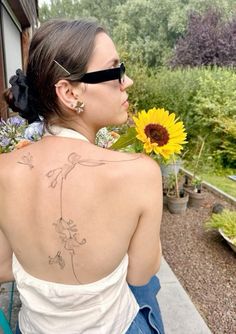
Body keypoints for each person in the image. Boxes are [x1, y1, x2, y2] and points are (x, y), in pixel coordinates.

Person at [0, 19, 164, 334]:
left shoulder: (5, 170)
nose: (126, 81)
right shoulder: (139, 173)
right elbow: (141, 274)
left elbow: (4, 266)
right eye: (115, 71)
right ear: (69, 92)